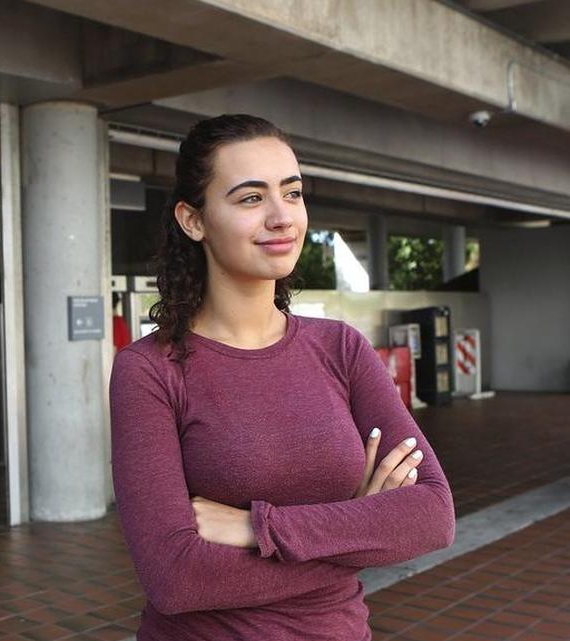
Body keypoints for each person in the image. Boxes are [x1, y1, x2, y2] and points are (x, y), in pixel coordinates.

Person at [109, 115, 455, 641]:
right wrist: (357, 526)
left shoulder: (340, 348)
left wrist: (260, 527)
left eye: (292, 193)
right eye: (251, 198)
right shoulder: (151, 369)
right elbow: (176, 579)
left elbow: (432, 515)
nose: (282, 217)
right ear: (193, 220)